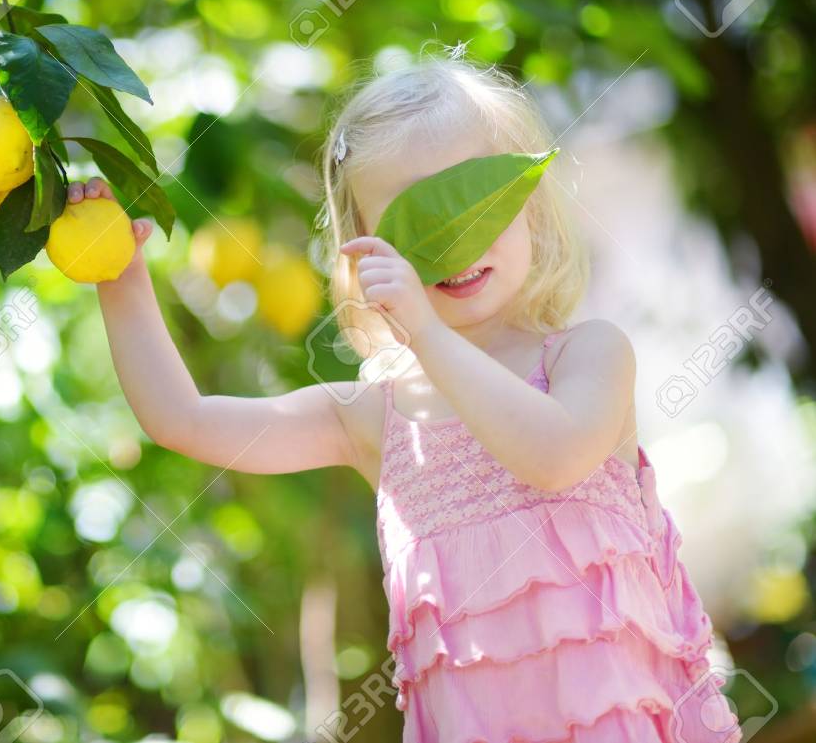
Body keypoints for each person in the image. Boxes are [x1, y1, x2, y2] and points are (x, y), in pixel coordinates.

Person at [74, 53, 741, 741]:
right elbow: (184, 420)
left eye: (472, 200)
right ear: (363, 256)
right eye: (413, 222)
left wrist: (426, 333)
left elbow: (554, 455)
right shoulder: (376, 417)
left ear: (530, 208)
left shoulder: (588, 355)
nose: (454, 241)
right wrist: (119, 276)